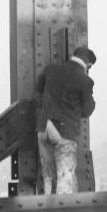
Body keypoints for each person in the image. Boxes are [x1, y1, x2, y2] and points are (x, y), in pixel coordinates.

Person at [36, 46, 96, 194]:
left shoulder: (51, 69)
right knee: (65, 177)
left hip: (43, 126)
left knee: (48, 177)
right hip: (64, 132)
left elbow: (39, 88)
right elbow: (87, 110)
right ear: (88, 64)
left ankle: (45, 208)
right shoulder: (85, 80)